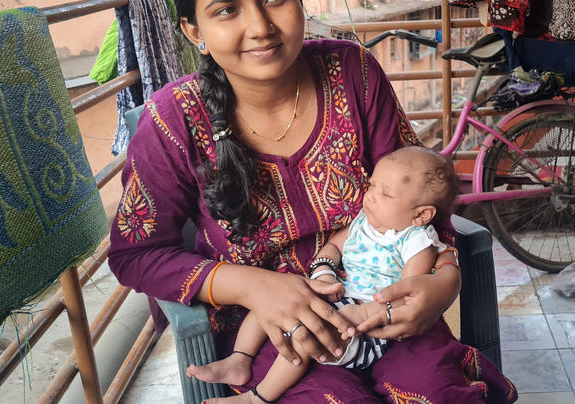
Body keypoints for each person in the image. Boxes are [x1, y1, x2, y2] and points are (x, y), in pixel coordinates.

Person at [107, 0, 518, 402]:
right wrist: (255, 286)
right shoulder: (172, 121)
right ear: (194, 31)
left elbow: (422, 202)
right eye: (226, 10)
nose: (261, 26)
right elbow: (135, 254)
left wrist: (445, 281)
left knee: (438, 393)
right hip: (268, 334)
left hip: (379, 308)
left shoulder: (355, 74)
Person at [185, 146, 460, 401]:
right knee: (270, 304)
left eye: (385, 194)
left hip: (367, 324)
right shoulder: (364, 222)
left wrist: (364, 314)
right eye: (372, 185)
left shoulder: (416, 242)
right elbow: (333, 247)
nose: (371, 196)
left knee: (304, 336)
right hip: (338, 293)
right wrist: (324, 272)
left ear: (422, 215)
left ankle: (258, 397)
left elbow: (407, 296)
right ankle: (239, 359)